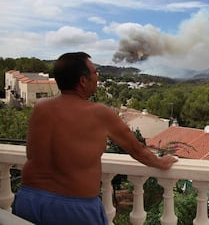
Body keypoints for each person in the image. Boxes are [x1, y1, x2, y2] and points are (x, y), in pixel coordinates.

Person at [12, 52, 177, 225]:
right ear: (83, 81)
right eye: (95, 72)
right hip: (73, 208)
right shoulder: (100, 113)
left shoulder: (41, 108)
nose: (97, 77)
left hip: (28, 200)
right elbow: (137, 150)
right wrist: (161, 163)